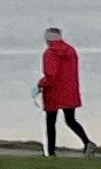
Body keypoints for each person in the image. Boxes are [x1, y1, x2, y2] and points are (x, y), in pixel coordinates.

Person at [36, 26, 94, 156]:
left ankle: (51, 152)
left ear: (48, 38)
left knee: (50, 122)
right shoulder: (70, 50)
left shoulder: (50, 53)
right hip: (69, 90)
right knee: (70, 119)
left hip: (54, 91)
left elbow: (50, 75)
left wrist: (41, 85)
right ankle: (87, 142)